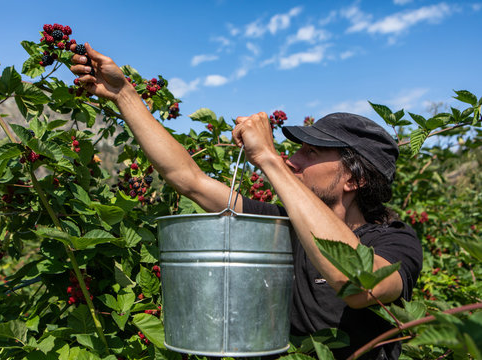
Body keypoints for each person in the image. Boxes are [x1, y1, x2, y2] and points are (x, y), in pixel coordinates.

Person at [70, 43, 423, 359]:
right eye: (294, 150)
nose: (292, 160)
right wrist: (124, 96)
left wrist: (268, 159)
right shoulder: (282, 226)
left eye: (310, 153)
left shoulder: (394, 241)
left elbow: (361, 286)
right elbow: (188, 180)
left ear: (355, 179)